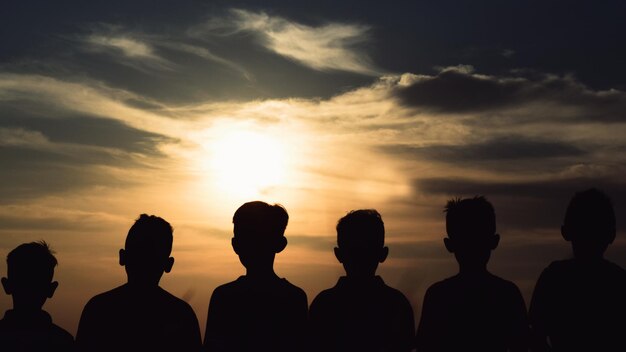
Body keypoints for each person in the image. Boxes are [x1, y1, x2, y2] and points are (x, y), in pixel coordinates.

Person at [415, 196, 528, 352]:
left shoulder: (438, 296)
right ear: (495, 242)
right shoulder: (507, 294)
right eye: (467, 239)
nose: (472, 247)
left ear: (449, 245)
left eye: (477, 239)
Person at [75, 214, 201, 352]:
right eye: (140, 253)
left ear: (122, 257)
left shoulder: (98, 310)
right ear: (168, 264)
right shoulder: (181, 316)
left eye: (150, 256)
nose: (144, 262)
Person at [529, 188, 626, 351]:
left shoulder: (553, 278)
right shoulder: (619, 282)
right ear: (611, 235)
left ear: (565, 232)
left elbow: (536, 335)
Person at [203, 201, 308, 352]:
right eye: (246, 237)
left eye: (258, 238)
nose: (252, 245)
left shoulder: (224, 297)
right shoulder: (293, 297)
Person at [309, 209, 415, 352]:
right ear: (383, 254)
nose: (360, 258)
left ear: (338, 254)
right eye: (355, 251)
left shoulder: (324, 305)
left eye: (366, 250)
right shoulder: (397, 305)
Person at [0, 241, 74, 351]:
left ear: (7, 286)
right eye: (24, 283)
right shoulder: (63, 342)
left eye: (34, 284)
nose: (28, 290)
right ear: (51, 289)